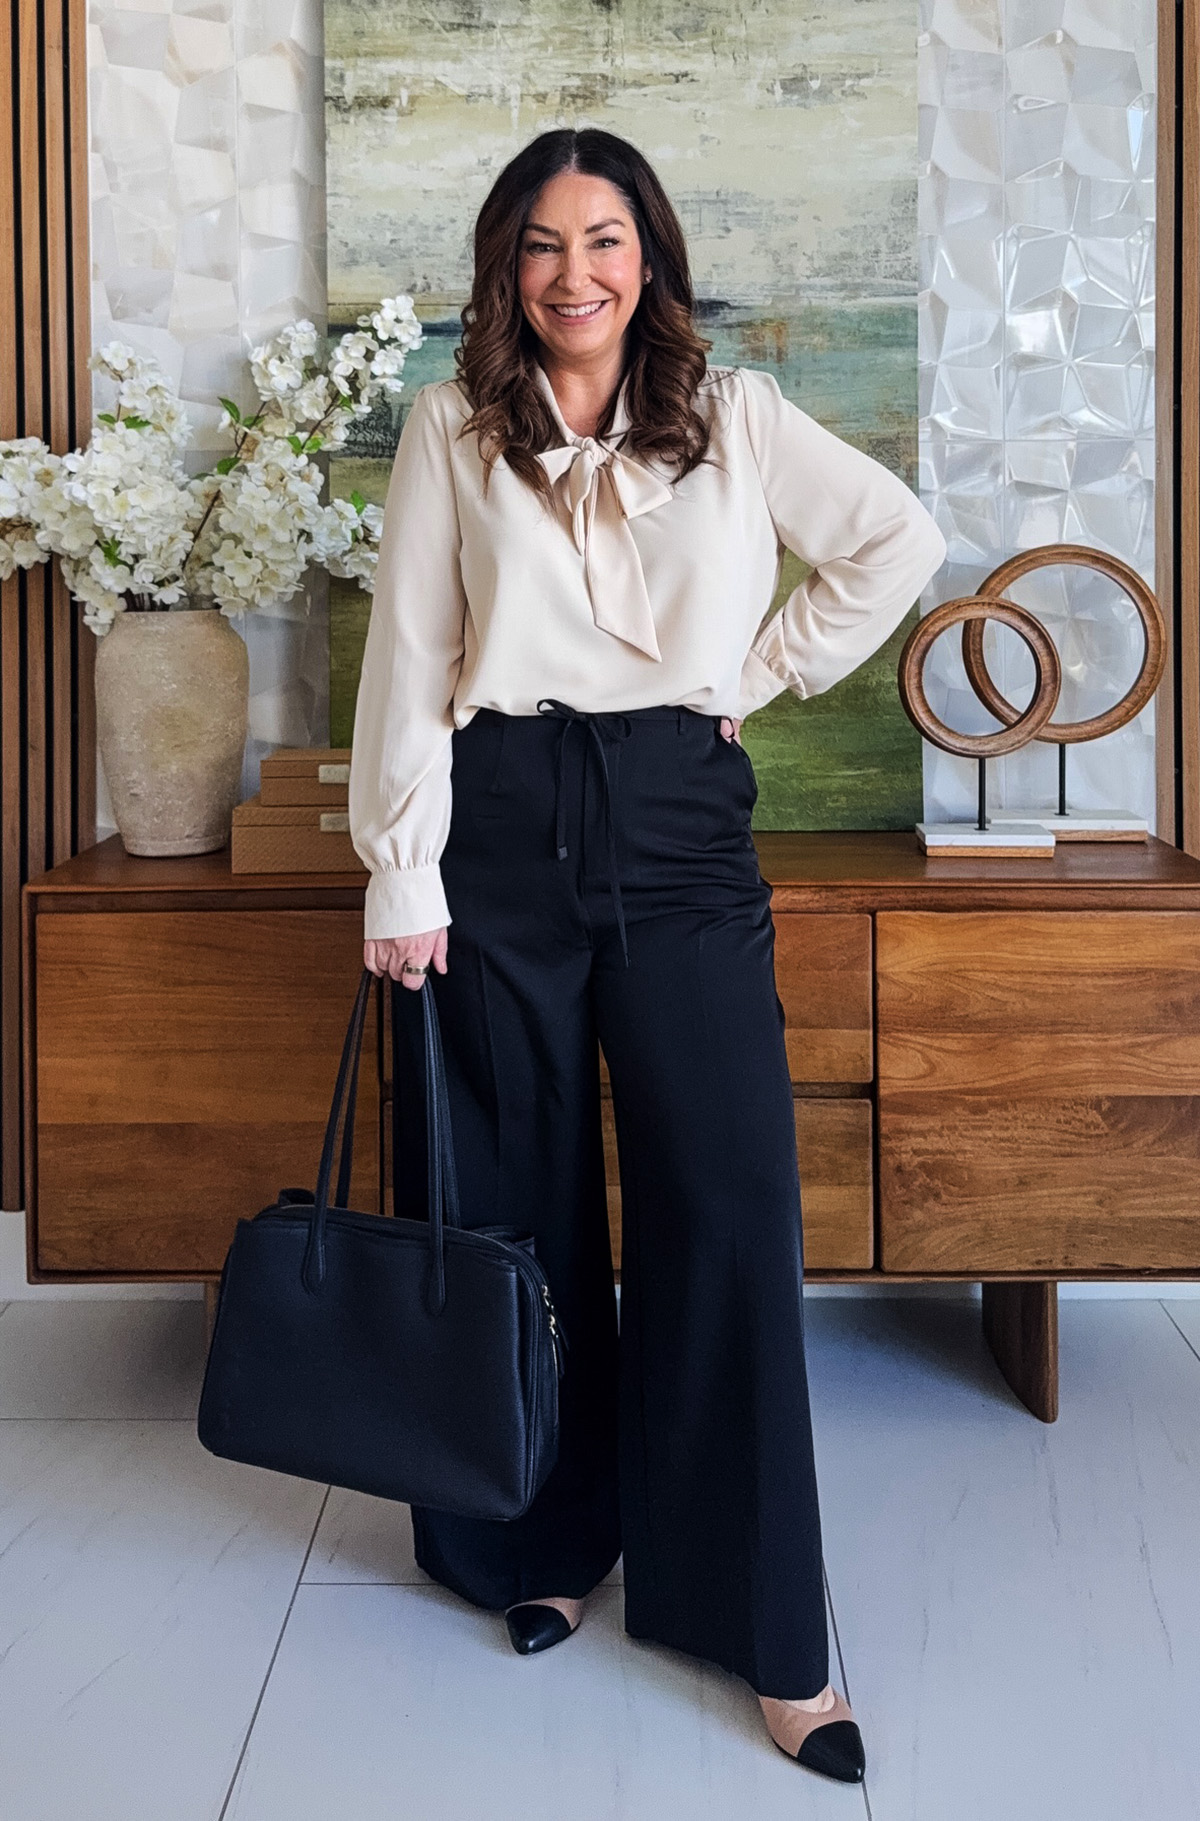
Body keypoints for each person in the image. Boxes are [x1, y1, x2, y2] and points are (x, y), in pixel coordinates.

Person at [348, 126, 945, 1785]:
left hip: (683, 821)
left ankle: (768, 1626)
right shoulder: (452, 432)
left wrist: (761, 664)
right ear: (505, 265)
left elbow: (895, 541)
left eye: (603, 240)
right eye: (540, 245)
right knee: (514, 1203)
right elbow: (408, 653)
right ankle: (537, 1540)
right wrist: (400, 868)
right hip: (501, 817)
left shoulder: (738, 419)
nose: (573, 275)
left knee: (730, 1204)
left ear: (650, 256)